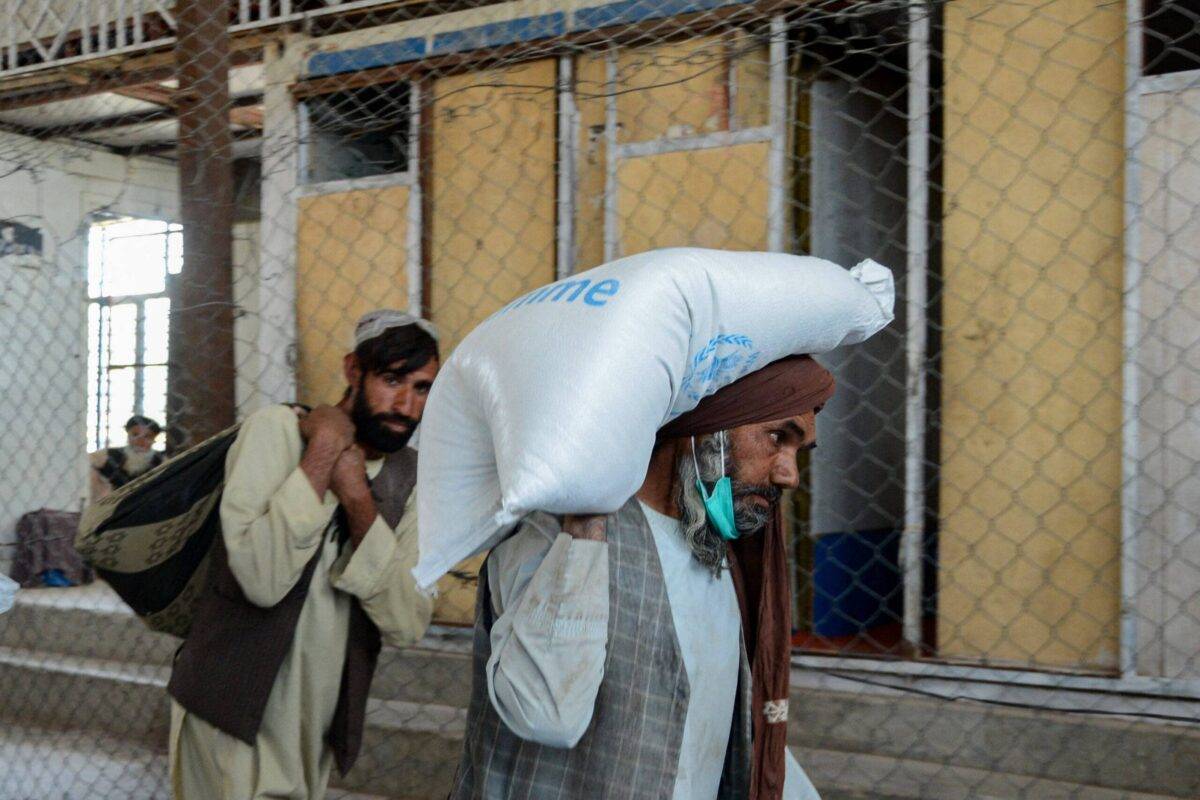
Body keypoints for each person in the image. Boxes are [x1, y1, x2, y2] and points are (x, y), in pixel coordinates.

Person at [452, 355, 832, 800]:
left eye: (797, 452)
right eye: (776, 438)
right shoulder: (554, 535)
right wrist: (584, 525)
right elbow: (546, 714)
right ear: (707, 429)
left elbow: (714, 735)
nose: (790, 476)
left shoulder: (719, 559)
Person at [167, 310, 439, 800]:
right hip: (226, 714)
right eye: (392, 379)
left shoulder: (413, 479)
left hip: (314, 731)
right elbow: (261, 579)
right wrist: (323, 453)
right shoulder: (275, 432)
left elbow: (408, 620)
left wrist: (357, 498)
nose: (406, 404)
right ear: (353, 370)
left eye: (422, 388)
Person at [89, 415, 165, 504]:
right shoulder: (108, 454)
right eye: (135, 435)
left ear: (154, 439)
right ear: (128, 435)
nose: (140, 440)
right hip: (108, 504)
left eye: (147, 436)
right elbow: (85, 464)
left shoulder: (161, 460)